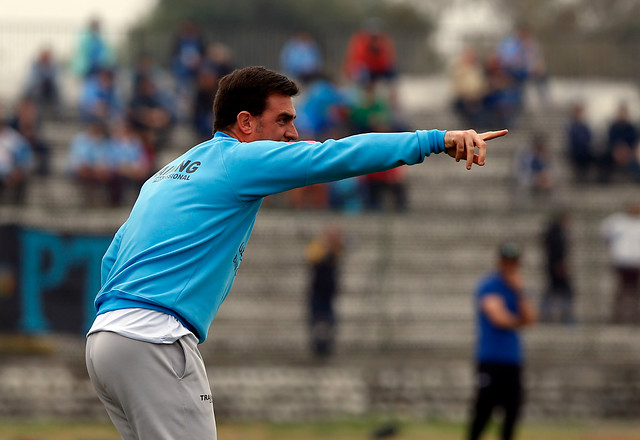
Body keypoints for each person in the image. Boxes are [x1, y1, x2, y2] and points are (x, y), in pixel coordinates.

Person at [84, 66, 508, 439]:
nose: (293, 132)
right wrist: (434, 140)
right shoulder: (238, 160)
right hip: (153, 337)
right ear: (245, 123)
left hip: (105, 339)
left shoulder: (163, 174)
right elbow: (335, 155)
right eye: (283, 119)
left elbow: (112, 258)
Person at [468, 241, 538, 440]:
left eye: (513, 261)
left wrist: (519, 291)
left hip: (512, 358)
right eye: (506, 261)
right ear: (499, 261)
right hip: (490, 358)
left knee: (512, 410)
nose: (509, 265)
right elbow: (499, 319)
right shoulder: (488, 285)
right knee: (484, 409)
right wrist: (520, 321)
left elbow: (532, 318)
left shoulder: (519, 289)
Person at [305, 226, 344, 359]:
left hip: (328, 292)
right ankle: (318, 347)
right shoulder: (318, 246)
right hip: (317, 291)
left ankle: (326, 347)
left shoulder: (336, 248)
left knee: (328, 321)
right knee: (317, 320)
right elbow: (312, 257)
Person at [599, 202, 640, 324]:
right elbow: (604, 231)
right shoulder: (618, 221)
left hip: (637, 263)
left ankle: (635, 316)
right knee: (621, 290)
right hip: (622, 262)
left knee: (636, 291)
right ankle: (617, 316)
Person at [539, 210, 576, 324]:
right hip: (556, 266)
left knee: (553, 289)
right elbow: (557, 251)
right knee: (564, 291)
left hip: (553, 265)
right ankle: (565, 315)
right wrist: (560, 264)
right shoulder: (556, 233)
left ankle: (546, 313)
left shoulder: (554, 232)